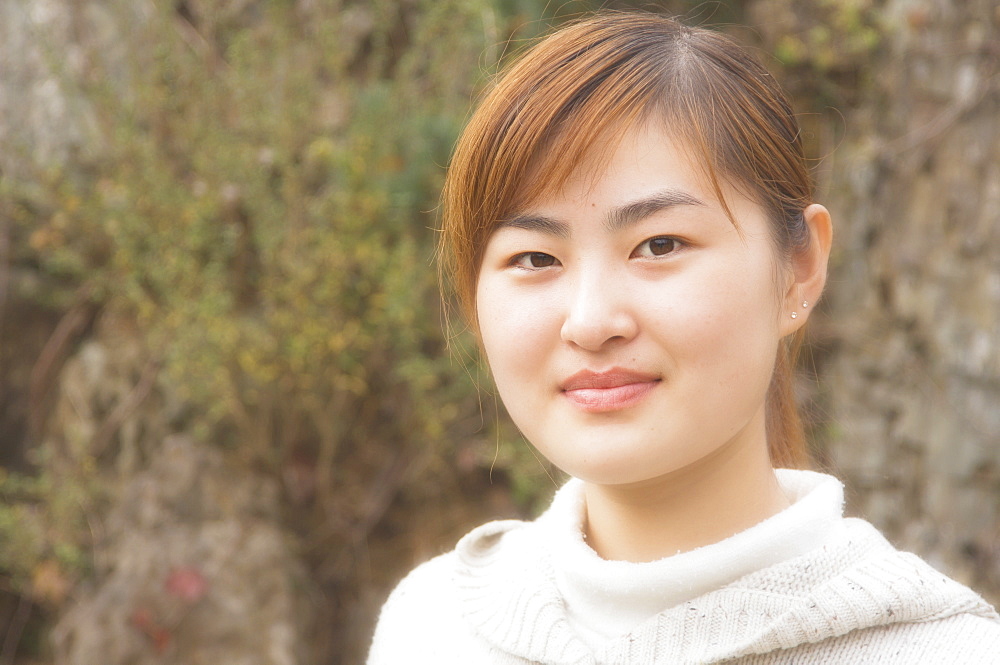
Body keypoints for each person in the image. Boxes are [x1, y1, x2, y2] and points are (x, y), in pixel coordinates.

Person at [367, 11, 1000, 664]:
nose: (589, 321)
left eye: (659, 244)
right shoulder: (433, 628)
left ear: (799, 267)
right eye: (535, 258)